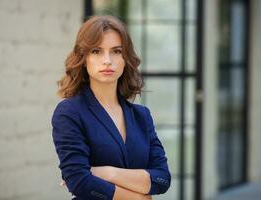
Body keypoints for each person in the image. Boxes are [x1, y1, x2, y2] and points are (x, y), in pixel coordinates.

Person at [51, 15, 171, 200]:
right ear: (84, 58)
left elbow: (162, 179)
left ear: (125, 59)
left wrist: (107, 173)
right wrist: (138, 198)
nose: (107, 60)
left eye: (116, 51)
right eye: (97, 51)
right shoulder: (70, 112)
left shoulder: (141, 116)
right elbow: (79, 182)